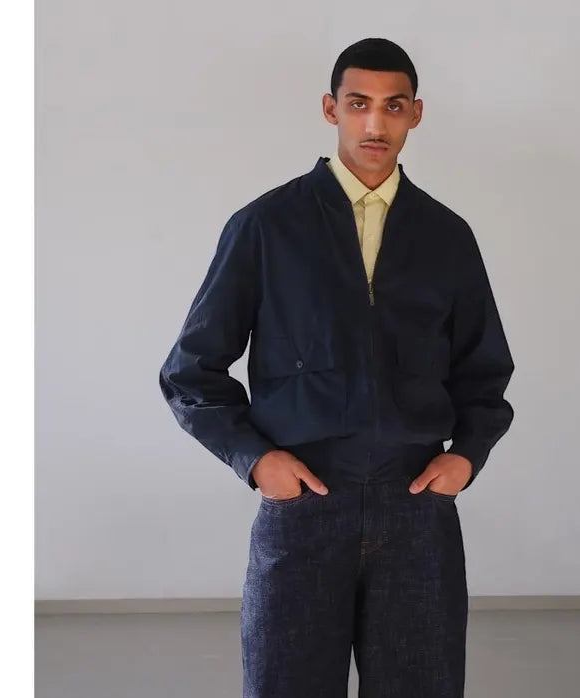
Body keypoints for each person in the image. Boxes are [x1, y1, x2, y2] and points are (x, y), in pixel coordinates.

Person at [158, 37, 515, 697]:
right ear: (331, 109)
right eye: (358, 104)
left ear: (416, 114)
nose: (375, 123)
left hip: (416, 509)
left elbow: (484, 374)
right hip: (304, 506)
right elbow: (190, 371)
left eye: (393, 106)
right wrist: (257, 460)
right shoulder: (266, 226)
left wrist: (467, 456)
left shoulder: (446, 236)